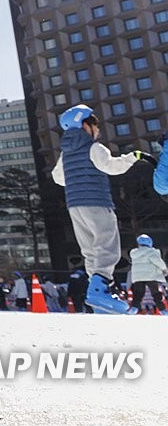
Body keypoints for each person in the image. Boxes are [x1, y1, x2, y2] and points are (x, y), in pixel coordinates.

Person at [52, 104, 146, 314]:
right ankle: (101, 287)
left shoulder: (65, 154)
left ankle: (99, 297)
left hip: (75, 205)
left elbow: (58, 178)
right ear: (84, 126)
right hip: (96, 201)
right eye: (94, 124)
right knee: (107, 244)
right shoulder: (94, 147)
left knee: (89, 249)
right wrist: (133, 157)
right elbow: (110, 167)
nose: (97, 129)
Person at [128, 233, 167, 315]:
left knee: (138, 294)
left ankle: (134, 309)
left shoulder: (134, 253)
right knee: (156, 294)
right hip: (151, 276)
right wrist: (164, 269)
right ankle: (163, 310)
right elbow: (158, 261)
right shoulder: (152, 252)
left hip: (138, 277)